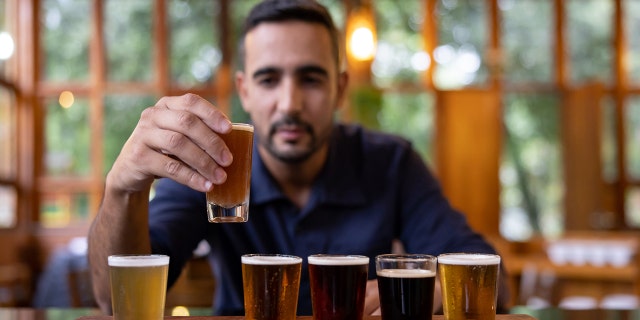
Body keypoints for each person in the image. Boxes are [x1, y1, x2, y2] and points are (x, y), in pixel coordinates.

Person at [88, 0, 509, 316]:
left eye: (310, 78)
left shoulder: (390, 162)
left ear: (340, 90)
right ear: (245, 91)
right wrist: (123, 188)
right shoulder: (214, 167)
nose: (289, 103)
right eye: (269, 79)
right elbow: (112, 300)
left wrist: (424, 292)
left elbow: (490, 278)